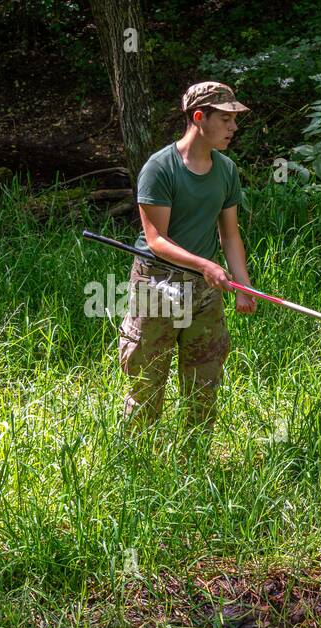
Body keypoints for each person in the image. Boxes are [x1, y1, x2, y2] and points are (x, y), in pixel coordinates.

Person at [119, 80, 257, 433]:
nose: (233, 128)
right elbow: (156, 240)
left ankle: (195, 462)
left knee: (205, 383)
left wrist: (243, 285)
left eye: (234, 120)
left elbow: (229, 234)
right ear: (199, 117)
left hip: (205, 291)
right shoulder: (159, 168)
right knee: (147, 383)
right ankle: (136, 464)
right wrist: (205, 264)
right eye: (225, 119)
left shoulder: (225, 170)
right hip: (157, 285)